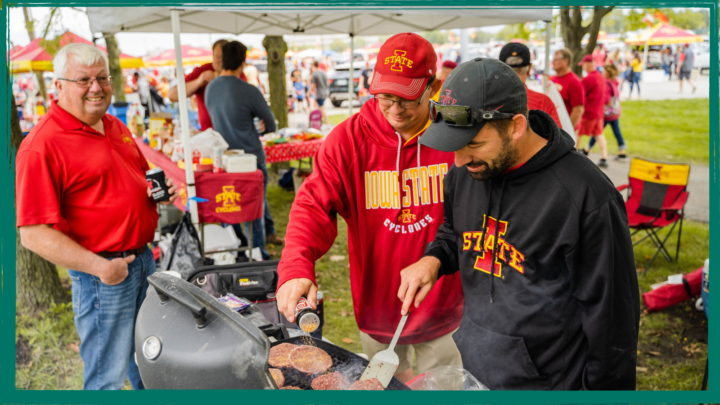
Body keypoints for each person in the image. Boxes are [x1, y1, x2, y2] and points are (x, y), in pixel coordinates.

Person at [399, 57, 640, 390]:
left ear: (515, 126)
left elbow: (613, 323)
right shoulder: (467, 171)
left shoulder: (586, 197)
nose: (458, 161)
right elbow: (455, 232)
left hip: (553, 384)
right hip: (478, 370)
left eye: (473, 144)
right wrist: (434, 259)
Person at [276, 33, 464, 383]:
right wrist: (297, 264)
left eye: (406, 99)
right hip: (377, 307)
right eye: (385, 97)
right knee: (385, 387)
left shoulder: (455, 138)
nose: (394, 110)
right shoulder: (347, 141)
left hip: (442, 306)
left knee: (446, 387)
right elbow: (312, 204)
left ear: (433, 87)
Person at [16, 43, 178, 390]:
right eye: (83, 80)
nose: (96, 87)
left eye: (103, 78)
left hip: (142, 262)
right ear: (57, 86)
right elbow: (33, 233)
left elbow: (136, 177)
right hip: (103, 275)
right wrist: (102, 269)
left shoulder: (114, 125)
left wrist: (154, 193)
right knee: (106, 377)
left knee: (150, 358)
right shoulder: (41, 145)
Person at [205, 41, 280, 260]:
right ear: (243, 61)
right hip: (250, 161)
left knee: (230, 208)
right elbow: (271, 125)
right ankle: (257, 257)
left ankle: (236, 250)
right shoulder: (248, 90)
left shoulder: (211, 88)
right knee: (253, 212)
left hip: (225, 161)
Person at [168, 39, 248, 131]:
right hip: (209, 134)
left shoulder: (238, 73)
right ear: (213, 55)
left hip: (234, 132)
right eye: (218, 56)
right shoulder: (202, 71)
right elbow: (172, 95)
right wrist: (198, 81)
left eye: (225, 57)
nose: (221, 60)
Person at [499, 43, 561, 128]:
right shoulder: (544, 102)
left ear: (498, 69)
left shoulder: (486, 101)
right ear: (529, 68)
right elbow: (558, 138)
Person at [584, 63, 627, 161]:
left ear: (607, 72)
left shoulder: (606, 84)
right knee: (617, 132)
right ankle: (622, 151)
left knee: (597, 132)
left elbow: (605, 99)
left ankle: (587, 150)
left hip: (606, 114)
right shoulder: (615, 83)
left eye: (603, 71)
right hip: (615, 113)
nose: (602, 72)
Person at [576, 55, 610, 168]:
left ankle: (572, 156)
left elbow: (580, 94)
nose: (583, 67)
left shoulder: (588, 79)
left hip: (589, 113)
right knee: (599, 134)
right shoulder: (600, 77)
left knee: (577, 133)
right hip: (599, 112)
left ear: (588, 64)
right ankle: (604, 157)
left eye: (584, 64)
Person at [550, 49, 585, 129]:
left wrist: (568, 130)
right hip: (554, 127)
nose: (553, 62)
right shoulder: (554, 79)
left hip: (565, 130)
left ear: (565, 61)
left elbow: (578, 110)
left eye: (556, 60)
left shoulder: (574, 82)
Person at [310, 61, 330, 126]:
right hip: (325, 92)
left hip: (319, 93)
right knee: (320, 108)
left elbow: (314, 85)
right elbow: (327, 83)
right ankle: (320, 123)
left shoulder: (315, 74)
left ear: (313, 65)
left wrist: (309, 91)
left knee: (321, 108)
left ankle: (327, 123)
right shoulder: (323, 72)